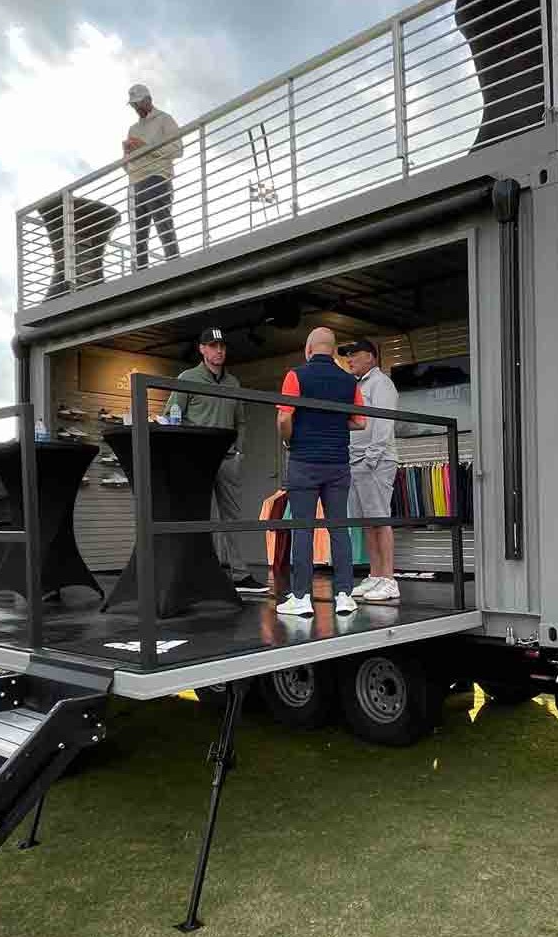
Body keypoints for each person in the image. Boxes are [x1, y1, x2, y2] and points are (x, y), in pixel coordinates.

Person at [275, 327, 367, 617]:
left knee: (303, 528)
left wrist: (290, 437)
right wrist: (334, 424)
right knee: (339, 528)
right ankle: (344, 595)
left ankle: (301, 598)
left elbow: (283, 417)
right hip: (338, 464)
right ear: (332, 349)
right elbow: (360, 422)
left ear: (309, 348)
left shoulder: (296, 376)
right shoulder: (349, 381)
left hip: (304, 461)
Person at [165, 327, 262, 589]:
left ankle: (240, 575)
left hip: (228, 459)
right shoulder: (188, 378)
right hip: (197, 460)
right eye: (212, 346)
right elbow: (172, 416)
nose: (219, 351)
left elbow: (241, 420)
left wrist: (239, 451)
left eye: (222, 346)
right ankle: (192, 573)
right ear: (202, 349)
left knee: (233, 517)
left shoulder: (233, 383)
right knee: (196, 516)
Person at [342, 337, 401, 603]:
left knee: (380, 518)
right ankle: (376, 575)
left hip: (374, 461)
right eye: (347, 355)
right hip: (357, 460)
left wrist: (372, 458)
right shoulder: (357, 385)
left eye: (354, 354)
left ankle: (389, 579)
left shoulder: (381, 383)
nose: (349, 358)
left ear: (371, 357)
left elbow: (384, 422)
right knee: (367, 521)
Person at [122, 84, 183, 268]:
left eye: (138, 104)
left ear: (148, 100)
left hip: (157, 177)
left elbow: (178, 149)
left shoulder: (165, 119)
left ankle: (174, 263)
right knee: (138, 232)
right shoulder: (132, 129)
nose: (136, 108)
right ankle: (140, 271)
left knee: (162, 221)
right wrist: (126, 156)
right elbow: (128, 166)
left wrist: (145, 147)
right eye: (133, 105)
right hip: (135, 182)